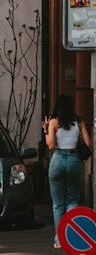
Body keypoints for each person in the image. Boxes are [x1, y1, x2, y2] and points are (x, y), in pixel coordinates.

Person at [44, 94, 91, 245]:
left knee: (58, 204)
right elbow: (88, 143)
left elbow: (51, 145)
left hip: (57, 160)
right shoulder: (79, 121)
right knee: (72, 201)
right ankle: (73, 237)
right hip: (73, 160)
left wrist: (46, 131)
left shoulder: (53, 122)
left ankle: (59, 239)